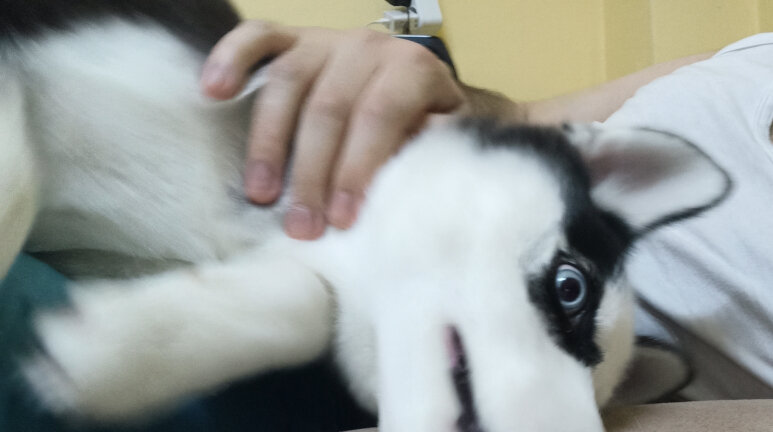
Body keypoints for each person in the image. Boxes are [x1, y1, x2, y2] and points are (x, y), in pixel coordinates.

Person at [201, 22, 773, 402]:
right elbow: (524, 118)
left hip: (426, 348)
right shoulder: (757, 55)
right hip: (361, 180)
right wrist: (420, 92)